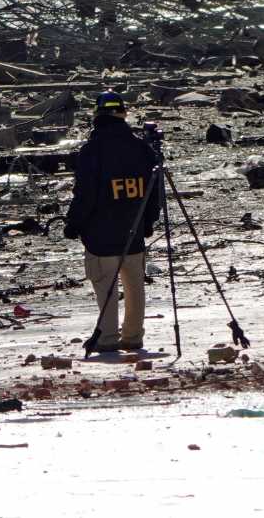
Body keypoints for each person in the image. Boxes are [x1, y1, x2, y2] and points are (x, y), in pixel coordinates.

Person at [62, 90, 162, 358]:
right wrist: (149, 220)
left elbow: (85, 195)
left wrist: (74, 224)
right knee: (134, 286)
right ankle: (132, 336)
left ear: (97, 115)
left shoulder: (92, 151)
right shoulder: (142, 148)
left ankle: (106, 338)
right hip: (134, 228)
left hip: (100, 234)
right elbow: (155, 191)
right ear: (123, 114)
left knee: (105, 285)